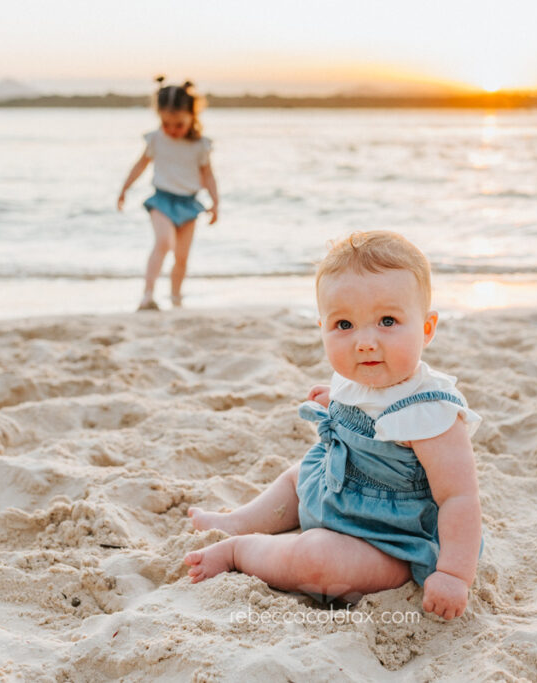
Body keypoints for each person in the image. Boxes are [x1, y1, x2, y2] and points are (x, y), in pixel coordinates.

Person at [184, 231, 483, 620]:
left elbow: (459, 498)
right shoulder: (361, 375)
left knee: (317, 558)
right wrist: (334, 398)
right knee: (294, 478)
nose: (364, 342)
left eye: (387, 321)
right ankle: (237, 522)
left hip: (387, 541)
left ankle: (239, 550)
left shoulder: (431, 414)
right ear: (322, 326)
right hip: (332, 489)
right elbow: (367, 405)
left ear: (426, 329)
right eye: (344, 325)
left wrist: (453, 575)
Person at [117, 76, 219, 311]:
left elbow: (209, 176)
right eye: (167, 124)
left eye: (179, 125)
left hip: (189, 203)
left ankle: (176, 297)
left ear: (192, 116)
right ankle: (148, 295)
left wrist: (215, 203)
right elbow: (140, 164)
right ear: (159, 116)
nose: (172, 130)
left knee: (182, 257)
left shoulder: (200, 145)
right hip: (162, 200)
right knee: (163, 243)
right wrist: (125, 188)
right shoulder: (156, 139)